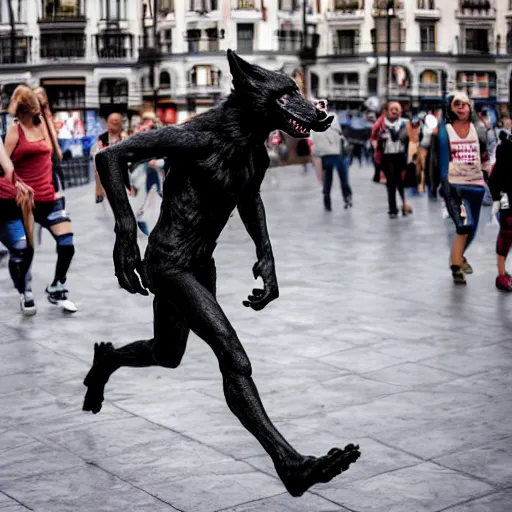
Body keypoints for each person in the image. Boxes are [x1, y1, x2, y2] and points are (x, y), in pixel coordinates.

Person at [5, 85, 77, 312]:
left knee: (67, 243)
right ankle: (24, 291)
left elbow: (56, 153)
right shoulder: (14, 131)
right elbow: (3, 166)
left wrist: (46, 111)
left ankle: (56, 286)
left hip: (48, 198)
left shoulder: (43, 125)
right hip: (25, 201)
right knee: (25, 251)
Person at [437, 91, 489, 285]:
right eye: (456, 104)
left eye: (464, 104)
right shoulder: (446, 130)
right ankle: (457, 268)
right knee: (463, 226)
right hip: (456, 184)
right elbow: (442, 159)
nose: (460, 107)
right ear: (451, 108)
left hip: (476, 184)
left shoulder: (478, 129)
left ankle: (457, 257)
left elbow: (484, 156)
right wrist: (444, 184)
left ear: (470, 107)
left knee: (473, 228)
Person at [0, 135, 36, 314]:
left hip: (6, 204)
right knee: (21, 249)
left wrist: (16, 183)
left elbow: (8, 168)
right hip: (6, 201)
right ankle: (25, 291)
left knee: (21, 249)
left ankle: (25, 291)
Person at [309, 100, 353, 211]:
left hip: (324, 155)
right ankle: (347, 198)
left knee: (327, 180)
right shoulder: (333, 117)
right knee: (343, 178)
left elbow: (312, 141)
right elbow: (339, 132)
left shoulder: (312, 121)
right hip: (336, 154)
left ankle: (327, 203)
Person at [372, 101, 412, 218]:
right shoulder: (380, 124)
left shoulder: (406, 124)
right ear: (386, 111)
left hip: (400, 156)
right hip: (387, 157)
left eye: (397, 109)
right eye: (392, 109)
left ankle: (404, 205)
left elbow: (413, 140)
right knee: (391, 183)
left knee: (400, 183)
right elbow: (373, 138)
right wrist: (379, 143)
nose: (395, 111)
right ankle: (393, 209)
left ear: (401, 111)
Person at [488, 130, 512, 291]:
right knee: (507, 233)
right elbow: (496, 175)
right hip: (508, 198)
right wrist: (497, 198)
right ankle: (501, 273)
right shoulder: (505, 147)